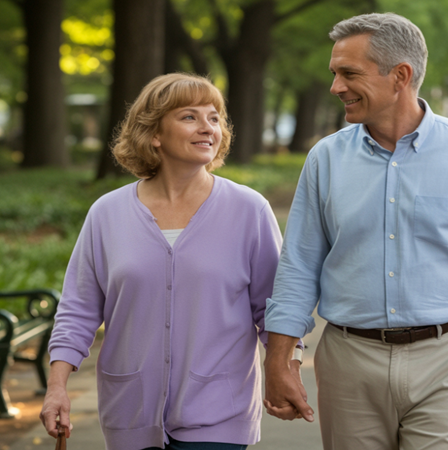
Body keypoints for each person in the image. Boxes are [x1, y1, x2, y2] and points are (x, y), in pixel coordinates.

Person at [262, 13, 448, 450]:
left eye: (349, 74)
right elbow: (298, 267)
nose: (336, 87)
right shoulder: (325, 160)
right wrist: (280, 361)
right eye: (334, 74)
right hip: (349, 360)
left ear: (400, 76)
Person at [40, 73, 288, 450]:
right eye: (190, 116)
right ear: (154, 134)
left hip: (221, 412)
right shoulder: (107, 213)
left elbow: (275, 309)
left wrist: (286, 371)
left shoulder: (249, 210)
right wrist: (56, 387)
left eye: (214, 117)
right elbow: (78, 309)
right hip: (129, 410)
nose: (208, 127)